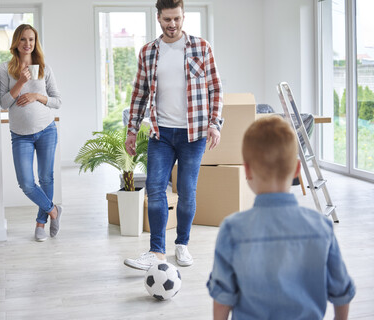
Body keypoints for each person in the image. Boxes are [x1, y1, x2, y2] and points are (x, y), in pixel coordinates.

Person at [207, 116, 356, 319]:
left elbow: (223, 299)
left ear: (247, 170)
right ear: (297, 169)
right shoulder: (321, 227)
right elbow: (342, 292)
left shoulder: (232, 230)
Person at [124, 0, 223, 270]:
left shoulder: (201, 47)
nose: (172, 24)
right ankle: (157, 251)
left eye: (177, 19)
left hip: (194, 133)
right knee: (155, 189)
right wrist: (132, 130)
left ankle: (182, 245)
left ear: (183, 16)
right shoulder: (148, 52)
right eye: (167, 19)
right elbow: (139, 94)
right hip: (161, 133)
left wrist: (215, 123)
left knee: (187, 191)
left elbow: (216, 88)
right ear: (158, 18)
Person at [0, 24, 62, 242]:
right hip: (20, 134)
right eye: (23, 39)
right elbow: (3, 102)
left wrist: (37, 96)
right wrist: (21, 82)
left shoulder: (44, 67)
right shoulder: (5, 69)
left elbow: (57, 101)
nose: (28, 44)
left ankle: (40, 223)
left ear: (36, 43)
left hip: (47, 130)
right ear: (16, 42)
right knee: (26, 182)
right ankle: (53, 210)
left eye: (32, 40)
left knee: (46, 178)